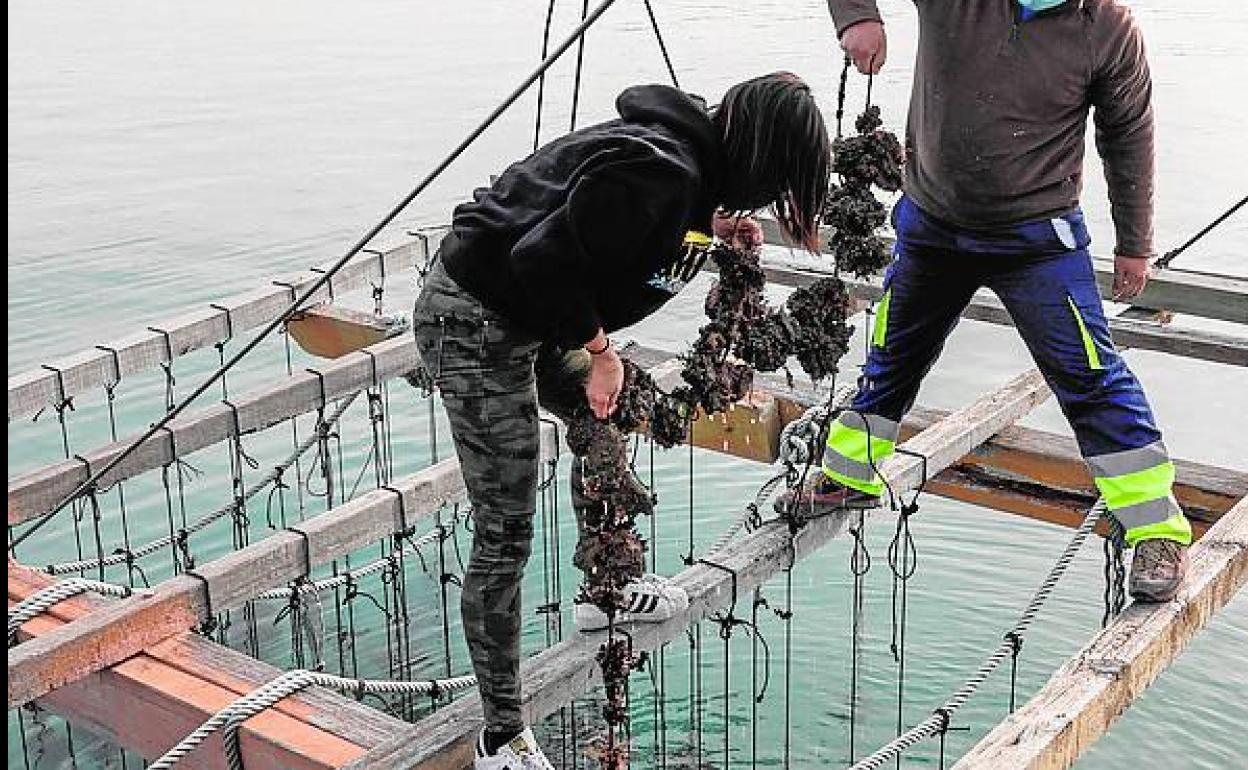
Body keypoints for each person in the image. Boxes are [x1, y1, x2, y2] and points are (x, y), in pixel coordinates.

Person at [412, 72, 831, 770]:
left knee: (607, 409)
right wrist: (601, 353)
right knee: (507, 524)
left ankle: (602, 593)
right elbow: (538, 256)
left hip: (528, 316)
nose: (771, 198)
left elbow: (630, 235)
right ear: (761, 154)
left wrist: (717, 230)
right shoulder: (661, 170)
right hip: (475, 318)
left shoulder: (694, 178)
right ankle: (500, 737)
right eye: (780, 180)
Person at [780, 0, 1191, 604]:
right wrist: (855, 17)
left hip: (1038, 240)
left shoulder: (1107, 25)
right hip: (932, 228)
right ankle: (848, 475)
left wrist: (1136, 244)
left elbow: (1129, 134)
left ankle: (1156, 528)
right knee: (891, 357)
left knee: (1092, 376)